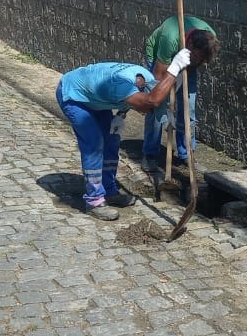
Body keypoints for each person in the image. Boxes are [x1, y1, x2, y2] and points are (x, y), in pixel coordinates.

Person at [57, 53, 192, 221]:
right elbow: (142, 100)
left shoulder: (146, 80)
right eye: (148, 111)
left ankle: (109, 190)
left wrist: (120, 115)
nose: (145, 114)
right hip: (73, 95)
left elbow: (142, 99)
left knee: (112, 140)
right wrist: (175, 68)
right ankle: (94, 200)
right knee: (94, 143)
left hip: (96, 98)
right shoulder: (123, 87)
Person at [142, 15, 219, 172]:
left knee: (188, 108)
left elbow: (196, 63)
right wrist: (167, 96)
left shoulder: (210, 39)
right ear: (189, 44)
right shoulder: (170, 38)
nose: (200, 60)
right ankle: (149, 155)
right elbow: (159, 76)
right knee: (157, 108)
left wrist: (188, 68)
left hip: (186, 64)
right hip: (161, 59)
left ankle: (187, 154)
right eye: (197, 57)